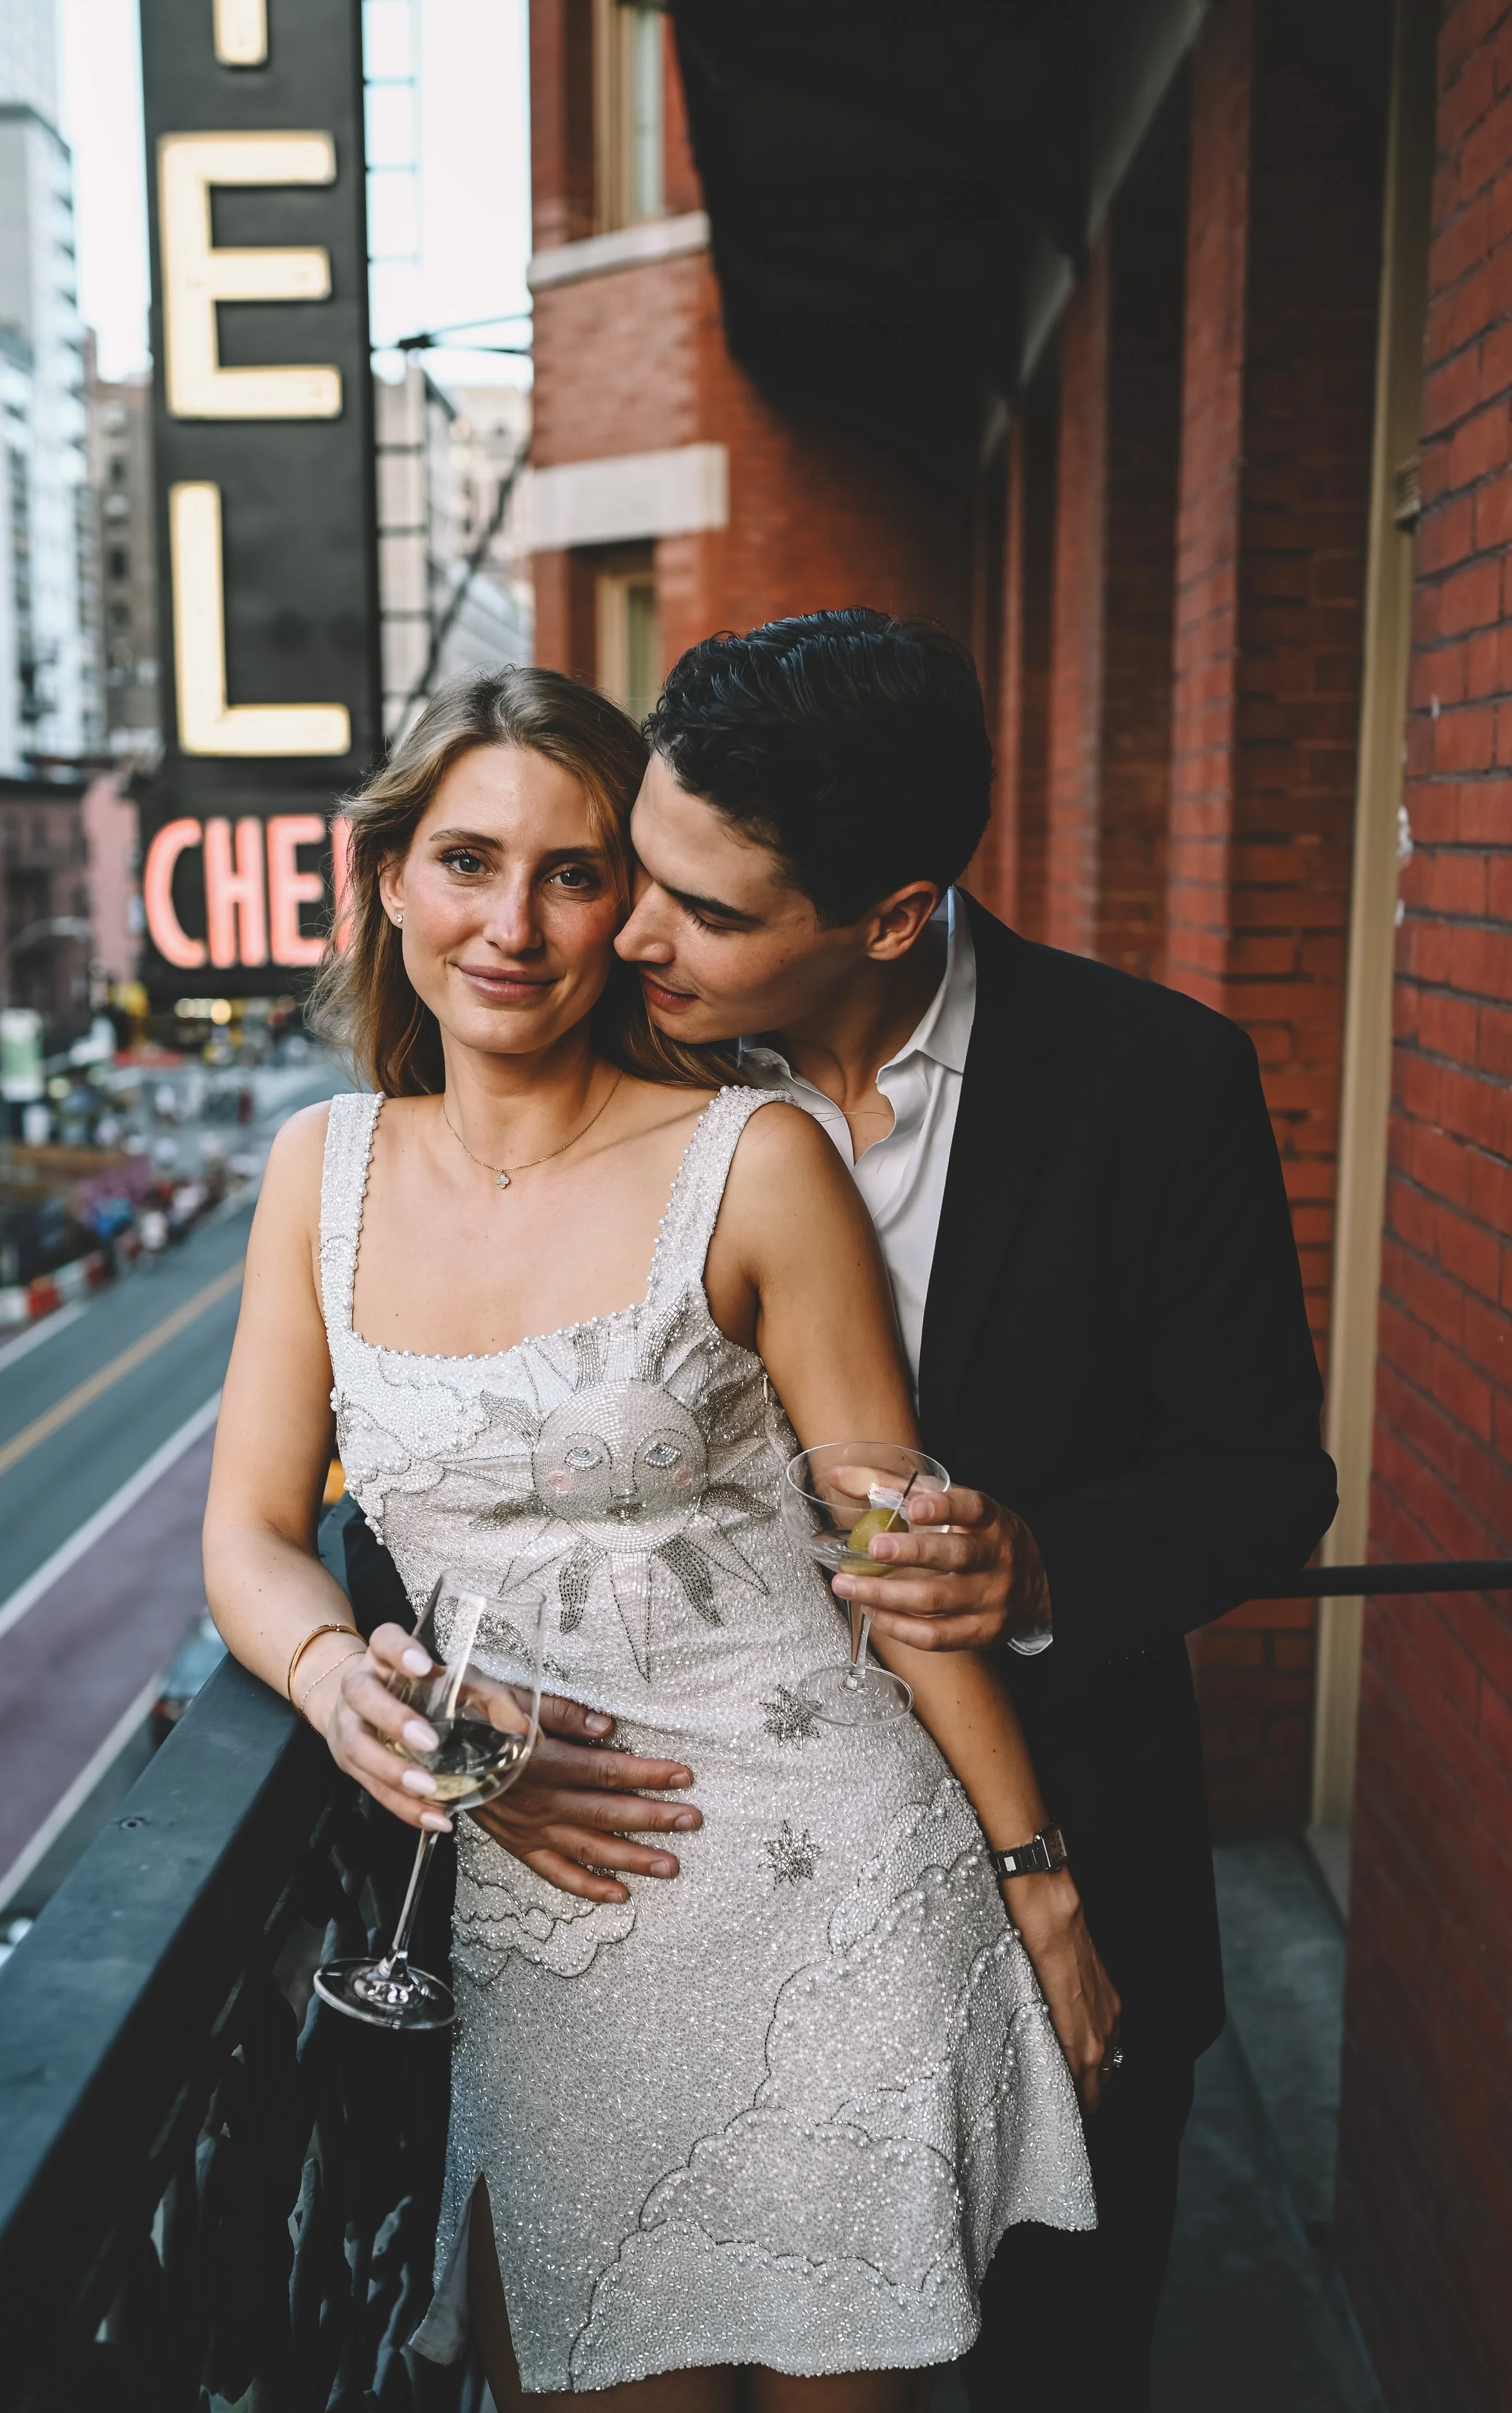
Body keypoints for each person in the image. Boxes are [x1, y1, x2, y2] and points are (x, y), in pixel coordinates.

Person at [202, 665, 1121, 2412]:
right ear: (388, 875)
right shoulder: (319, 1174)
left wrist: (1036, 1877)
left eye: (574, 872)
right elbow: (248, 1532)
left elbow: (898, 1559)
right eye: (468, 860)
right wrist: (336, 1683)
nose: (514, 924)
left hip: (831, 1893)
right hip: (547, 1917)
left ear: (627, 901)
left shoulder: (754, 1157)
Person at [468, 614, 1338, 2412]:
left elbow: (1264, 1478)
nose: (632, 935)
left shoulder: (1153, 1080)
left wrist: (1041, 1561)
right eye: (639, 871)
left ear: (892, 910)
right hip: (692, 1896)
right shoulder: (603, 1060)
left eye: (704, 912)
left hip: (1067, 1867)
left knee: (1055, 2379)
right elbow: (445, 1422)